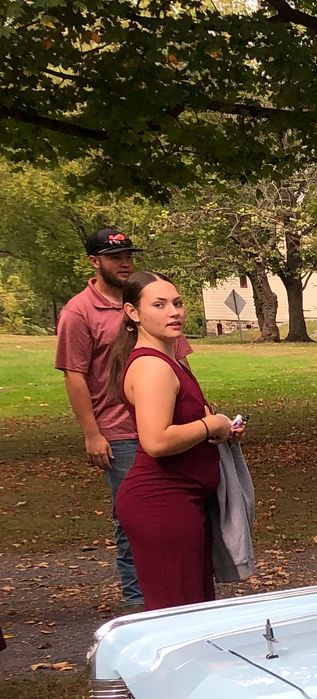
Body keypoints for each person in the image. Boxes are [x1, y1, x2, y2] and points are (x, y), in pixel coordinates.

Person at [55, 227, 190, 609]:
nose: (125, 262)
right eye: (115, 257)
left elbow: (180, 363)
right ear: (94, 262)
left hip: (167, 425)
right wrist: (92, 434)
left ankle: (177, 600)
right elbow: (74, 374)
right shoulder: (79, 312)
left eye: (129, 255)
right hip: (122, 434)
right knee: (134, 524)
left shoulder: (155, 302)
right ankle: (139, 606)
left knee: (175, 517)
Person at [109, 273, 237, 610]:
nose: (174, 312)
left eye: (177, 303)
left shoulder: (169, 361)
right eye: (159, 304)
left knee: (194, 607)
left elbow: (180, 427)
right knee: (177, 613)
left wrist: (218, 429)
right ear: (132, 313)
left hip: (185, 500)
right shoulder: (153, 367)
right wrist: (211, 424)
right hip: (162, 502)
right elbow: (156, 441)